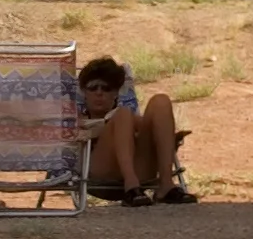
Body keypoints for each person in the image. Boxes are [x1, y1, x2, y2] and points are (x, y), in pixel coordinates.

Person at [78, 55, 194, 204]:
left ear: (115, 94)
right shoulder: (75, 117)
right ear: (84, 93)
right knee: (123, 114)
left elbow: (147, 124)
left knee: (161, 101)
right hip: (100, 175)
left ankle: (165, 185)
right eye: (93, 87)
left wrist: (169, 137)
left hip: (139, 171)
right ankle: (131, 185)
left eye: (106, 88)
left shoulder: (125, 117)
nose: (99, 93)